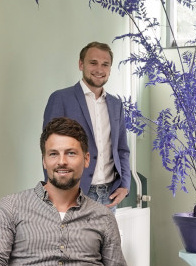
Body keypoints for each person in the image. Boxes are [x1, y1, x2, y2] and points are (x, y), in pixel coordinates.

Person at [0, 117, 131, 266]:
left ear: (86, 159)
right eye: (53, 154)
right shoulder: (10, 207)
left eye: (71, 153)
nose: (62, 161)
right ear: (44, 160)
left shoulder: (103, 216)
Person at [42, 41, 133, 207]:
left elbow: (122, 149)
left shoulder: (116, 105)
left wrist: (125, 186)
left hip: (109, 195)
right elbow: (50, 149)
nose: (99, 69)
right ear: (81, 64)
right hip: (73, 193)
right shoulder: (61, 99)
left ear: (110, 69)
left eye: (105, 64)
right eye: (93, 63)